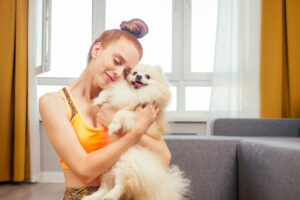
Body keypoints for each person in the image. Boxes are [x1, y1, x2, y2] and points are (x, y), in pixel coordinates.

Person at [39, 18, 171, 199]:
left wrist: (126, 122)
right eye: (117, 61)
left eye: (126, 72)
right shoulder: (54, 103)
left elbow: (164, 157)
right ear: (97, 50)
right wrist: (135, 130)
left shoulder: (122, 103)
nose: (118, 73)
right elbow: (85, 171)